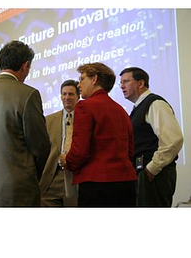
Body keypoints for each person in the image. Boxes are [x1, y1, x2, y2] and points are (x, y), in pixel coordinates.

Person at [0, 40, 51, 207]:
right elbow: (41, 148)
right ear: (25, 65)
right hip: (16, 193)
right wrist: (30, 175)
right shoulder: (28, 94)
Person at [60, 62, 137, 207]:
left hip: (97, 185)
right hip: (127, 183)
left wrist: (67, 161)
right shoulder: (121, 109)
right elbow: (130, 150)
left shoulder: (84, 106)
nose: (79, 85)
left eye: (82, 79)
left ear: (94, 79)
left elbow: (80, 151)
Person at [119, 67, 184, 207]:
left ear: (141, 83)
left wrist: (151, 170)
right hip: (143, 174)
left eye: (126, 81)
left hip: (154, 175)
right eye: (121, 83)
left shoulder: (155, 104)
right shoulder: (138, 107)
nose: (122, 86)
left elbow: (173, 140)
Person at [39, 80, 80, 207]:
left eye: (71, 94)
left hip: (76, 176)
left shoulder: (85, 118)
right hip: (53, 177)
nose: (67, 97)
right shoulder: (48, 120)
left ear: (78, 96)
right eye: (64, 94)